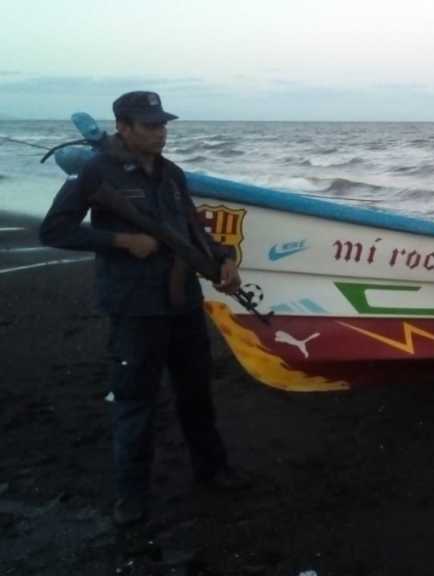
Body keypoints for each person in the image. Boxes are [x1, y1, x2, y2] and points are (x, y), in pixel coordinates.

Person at [39, 91, 249, 528]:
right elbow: (54, 230)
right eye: (149, 125)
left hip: (183, 303)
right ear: (123, 127)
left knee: (196, 393)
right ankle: (130, 498)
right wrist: (120, 241)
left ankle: (213, 471)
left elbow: (189, 230)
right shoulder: (96, 171)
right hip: (135, 308)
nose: (160, 131)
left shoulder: (171, 174)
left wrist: (224, 257)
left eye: (162, 123)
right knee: (136, 402)